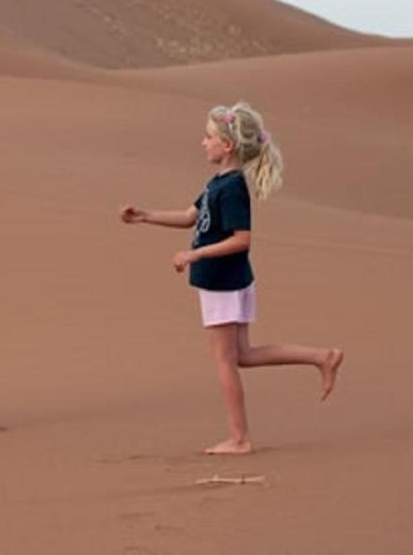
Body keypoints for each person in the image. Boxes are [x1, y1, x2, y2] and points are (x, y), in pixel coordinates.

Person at [119, 101, 344, 455]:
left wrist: (195, 254)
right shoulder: (217, 183)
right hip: (227, 279)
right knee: (242, 355)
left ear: (227, 146)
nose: (202, 142)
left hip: (222, 281)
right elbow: (190, 216)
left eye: (208, 137)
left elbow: (242, 238)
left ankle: (240, 439)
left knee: (226, 361)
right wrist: (145, 216)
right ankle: (322, 356)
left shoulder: (234, 187)